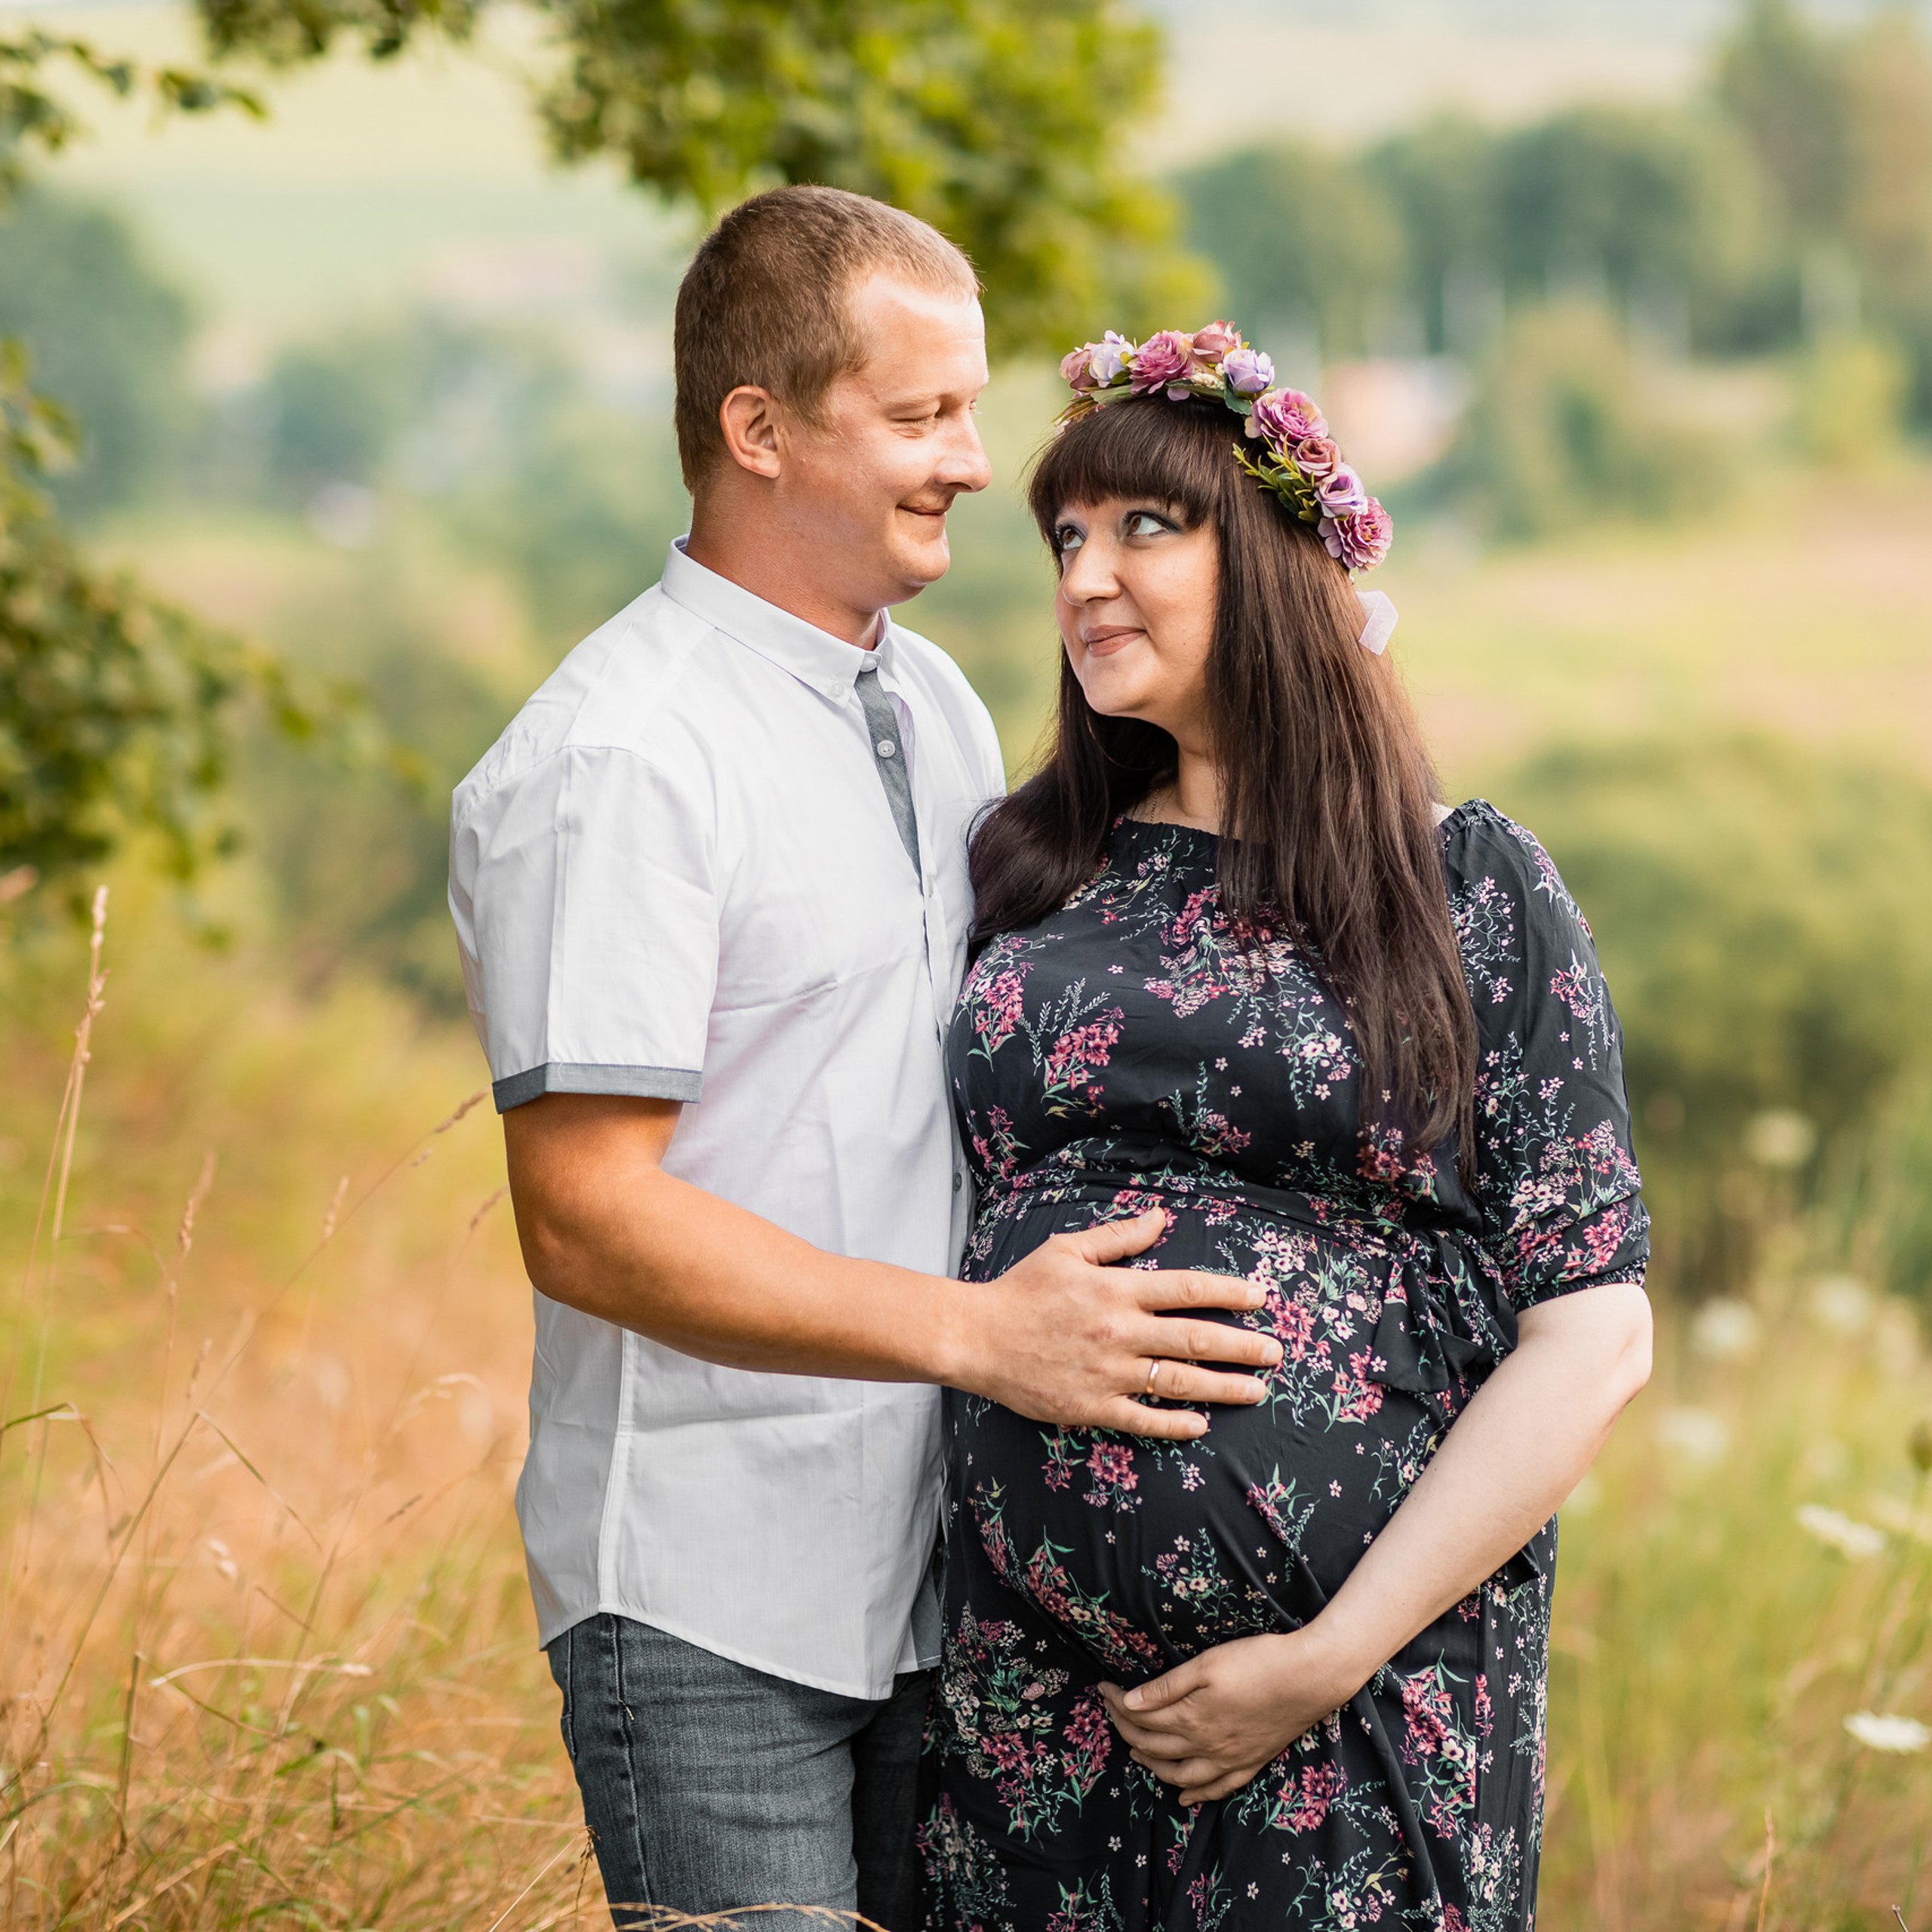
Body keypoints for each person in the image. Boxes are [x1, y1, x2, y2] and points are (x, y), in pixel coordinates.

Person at [448, 201, 1283, 1930]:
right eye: (917, 418)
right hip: (710, 1600)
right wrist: (988, 1336)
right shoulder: (619, 756)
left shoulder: (945, 707)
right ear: (757, 429)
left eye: (968, 412)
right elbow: (587, 1217)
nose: (974, 465)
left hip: (935, 1583)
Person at [918, 324, 1654, 1932]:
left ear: (1271, 559)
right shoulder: (1028, 872)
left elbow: (1589, 1334)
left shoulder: (1461, 886)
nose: (1083, 575)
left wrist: (1323, 1654)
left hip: (1350, 1705)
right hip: (1030, 1713)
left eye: (1143, 526)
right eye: (1063, 536)